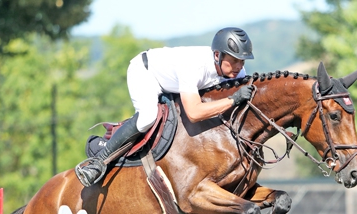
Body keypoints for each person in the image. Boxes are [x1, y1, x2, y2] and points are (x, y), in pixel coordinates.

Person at [75, 27, 255, 187]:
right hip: (146, 72)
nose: (239, 67)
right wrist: (232, 100)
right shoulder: (195, 66)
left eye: (242, 61)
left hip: (172, 83)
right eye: (234, 60)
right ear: (217, 55)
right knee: (148, 117)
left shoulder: (236, 71)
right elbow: (194, 112)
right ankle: (98, 162)